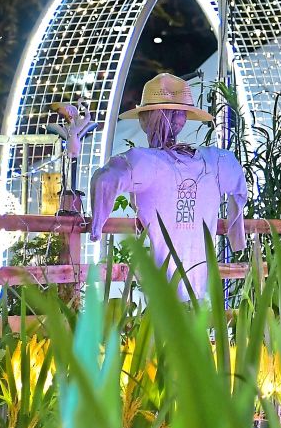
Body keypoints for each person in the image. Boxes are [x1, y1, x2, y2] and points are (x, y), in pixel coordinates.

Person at [89, 73, 248, 299]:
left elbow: (105, 180)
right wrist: (236, 235)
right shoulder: (216, 161)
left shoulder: (144, 162)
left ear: (147, 119)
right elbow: (240, 187)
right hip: (193, 285)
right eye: (177, 114)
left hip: (168, 288)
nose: (179, 119)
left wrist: (96, 227)